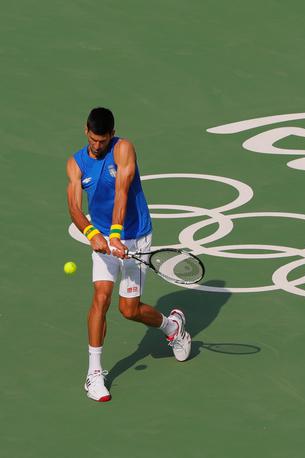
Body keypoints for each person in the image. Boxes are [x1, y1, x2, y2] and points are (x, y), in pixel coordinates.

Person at [66, 107, 192, 402]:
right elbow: (74, 207)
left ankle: (172, 326)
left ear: (112, 134)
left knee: (129, 310)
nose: (98, 146)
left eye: (103, 140)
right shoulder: (76, 164)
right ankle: (94, 374)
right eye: (94, 139)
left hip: (134, 238)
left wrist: (115, 235)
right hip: (102, 239)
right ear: (86, 131)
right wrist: (93, 235)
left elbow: (122, 190)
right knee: (101, 298)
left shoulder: (123, 150)